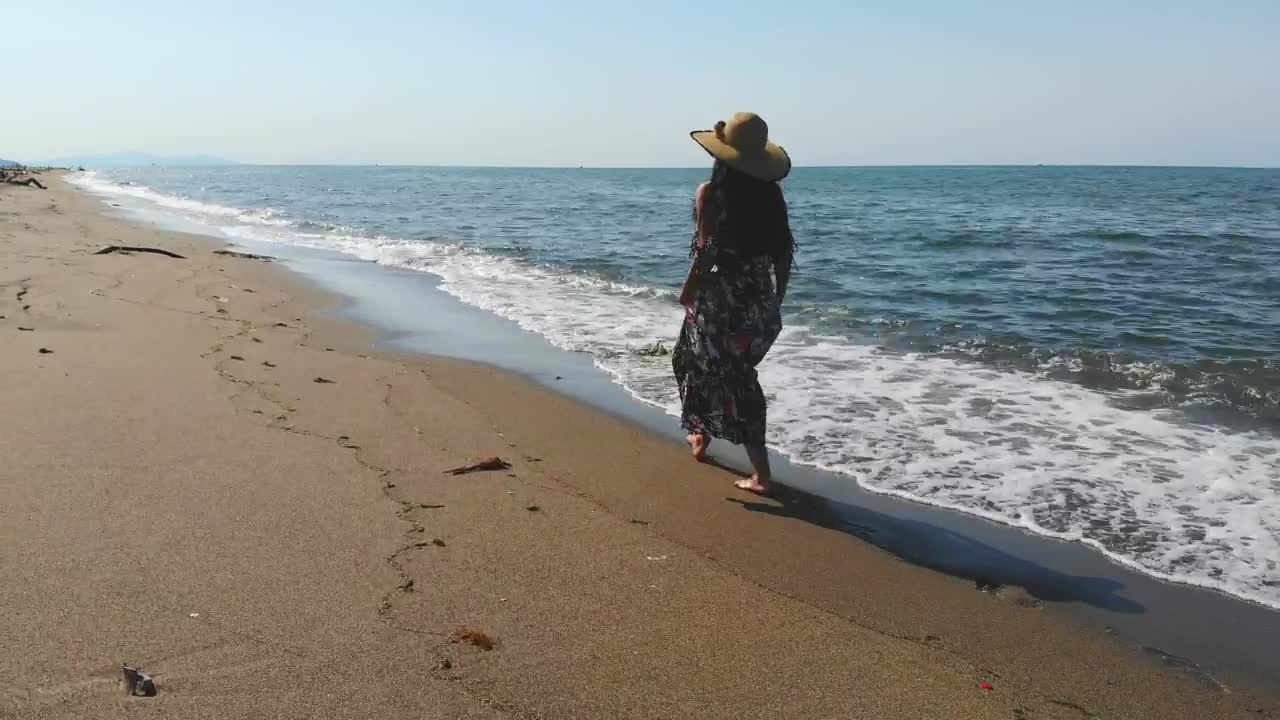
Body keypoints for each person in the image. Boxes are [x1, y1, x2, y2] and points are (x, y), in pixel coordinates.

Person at [674, 112, 794, 494]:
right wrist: (776, 298)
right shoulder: (772, 198)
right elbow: (783, 254)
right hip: (760, 308)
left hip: (720, 305)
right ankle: (702, 433)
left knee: (711, 371)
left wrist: (689, 289)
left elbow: (706, 250)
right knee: (707, 365)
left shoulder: (710, 193)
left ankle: (762, 474)